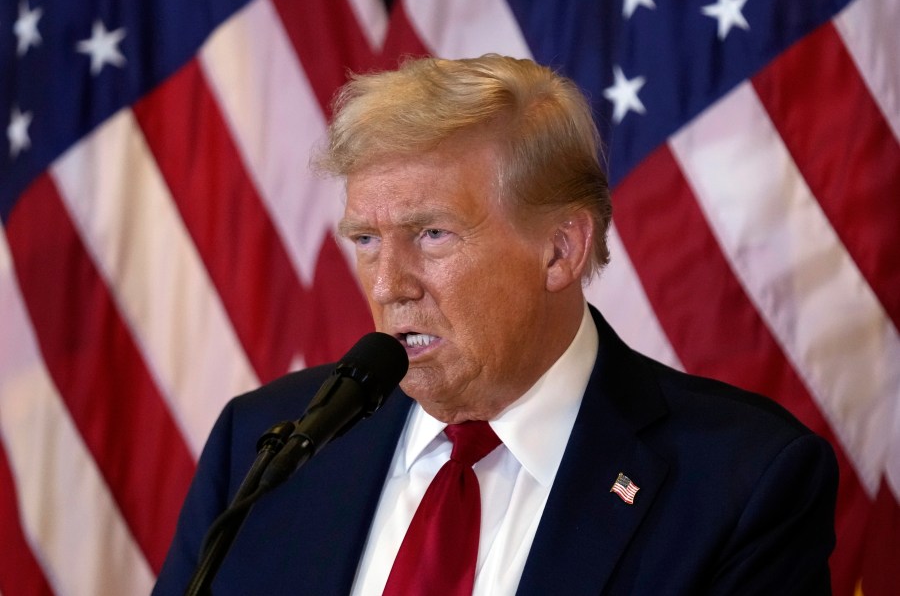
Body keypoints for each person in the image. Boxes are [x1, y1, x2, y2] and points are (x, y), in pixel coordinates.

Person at [153, 54, 838, 595]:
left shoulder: (739, 484)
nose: (389, 284)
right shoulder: (263, 447)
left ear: (560, 249)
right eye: (365, 239)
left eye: (432, 234)